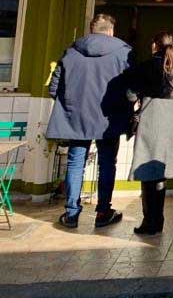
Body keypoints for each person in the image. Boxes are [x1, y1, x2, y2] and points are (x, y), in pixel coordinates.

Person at [47, 13, 133, 229]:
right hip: (109, 117)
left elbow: (54, 86)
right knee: (107, 164)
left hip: (77, 117)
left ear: (92, 29)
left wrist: (69, 104)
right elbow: (131, 87)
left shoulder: (71, 51)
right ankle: (103, 212)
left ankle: (72, 213)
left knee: (76, 163)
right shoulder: (123, 52)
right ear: (111, 31)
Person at [126, 31, 173, 235]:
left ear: (154, 45)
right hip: (170, 115)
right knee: (160, 168)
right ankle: (158, 219)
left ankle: (150, 221)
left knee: (146, 168)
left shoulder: (149, 65)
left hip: (152, 115)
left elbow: (131, 93)